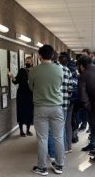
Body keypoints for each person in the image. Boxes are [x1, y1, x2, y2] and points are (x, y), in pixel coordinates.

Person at [29, 45, 65, 175]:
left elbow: (31, 87)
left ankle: (42, 167)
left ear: (39, 56)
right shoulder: (59, 69)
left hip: (40, 107)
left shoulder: (33, 70)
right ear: (52, 55)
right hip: (57, 107)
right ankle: (59, 166)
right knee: (58, 137)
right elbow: (59, 85)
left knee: (42, 138)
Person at [8, 56, 34, 137]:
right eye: (26, 61)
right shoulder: (22, 70)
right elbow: (16, 81)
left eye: (28, 61)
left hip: (30, 95)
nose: (27, 63)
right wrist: (11, 76)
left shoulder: (34, 71)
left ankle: (28, 130)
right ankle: (21, 131)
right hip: (21, 95)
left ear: (32, 62)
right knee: (21, 111)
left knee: (30, 112)